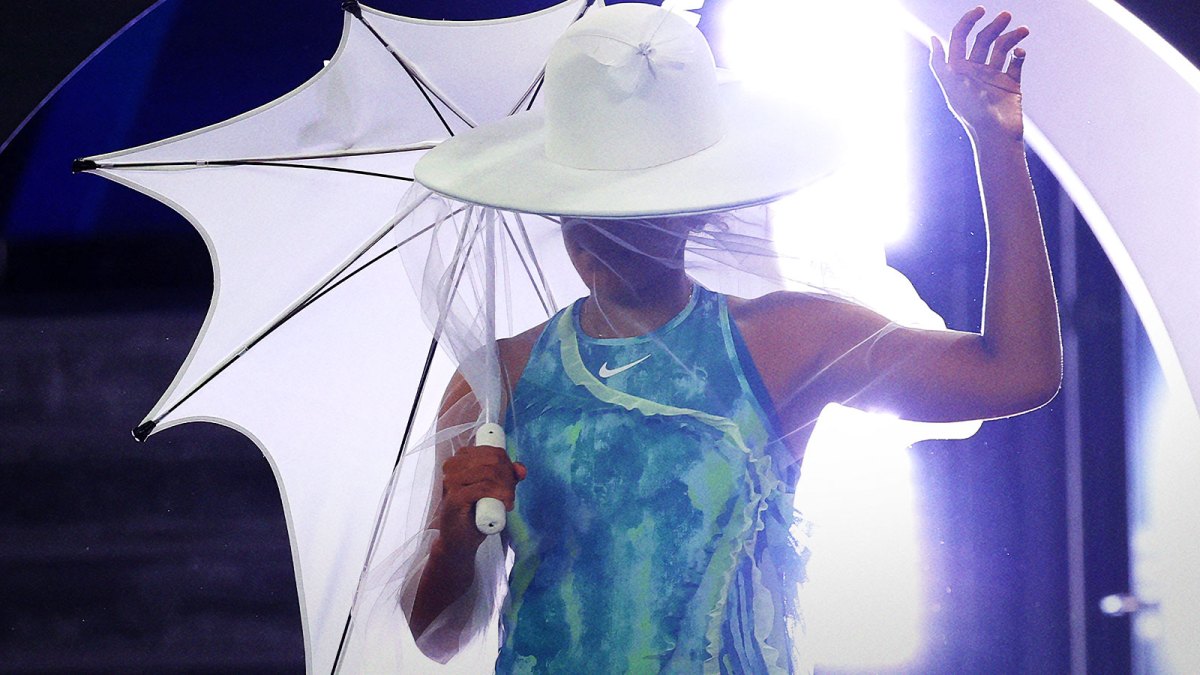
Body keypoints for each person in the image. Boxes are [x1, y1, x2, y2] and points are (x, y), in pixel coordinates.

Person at [404, 3, 1061, 672]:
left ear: (697, 209)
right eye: (585, 209)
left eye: (635, 212)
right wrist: (454, 540)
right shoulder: (500, 380)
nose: (602, 238)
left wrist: (996, 144)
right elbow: (437, 638)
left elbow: (1019, 373)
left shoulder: (784, 340)